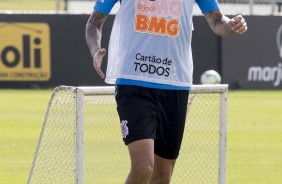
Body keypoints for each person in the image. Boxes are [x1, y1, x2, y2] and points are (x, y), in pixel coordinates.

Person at [85, 0, 247, 183]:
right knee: (143, 166)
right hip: (134, 82)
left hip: (175, 84)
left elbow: (217, 22)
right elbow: (94, 22)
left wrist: (231, 26)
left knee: (163, 177)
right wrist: (95, 50)